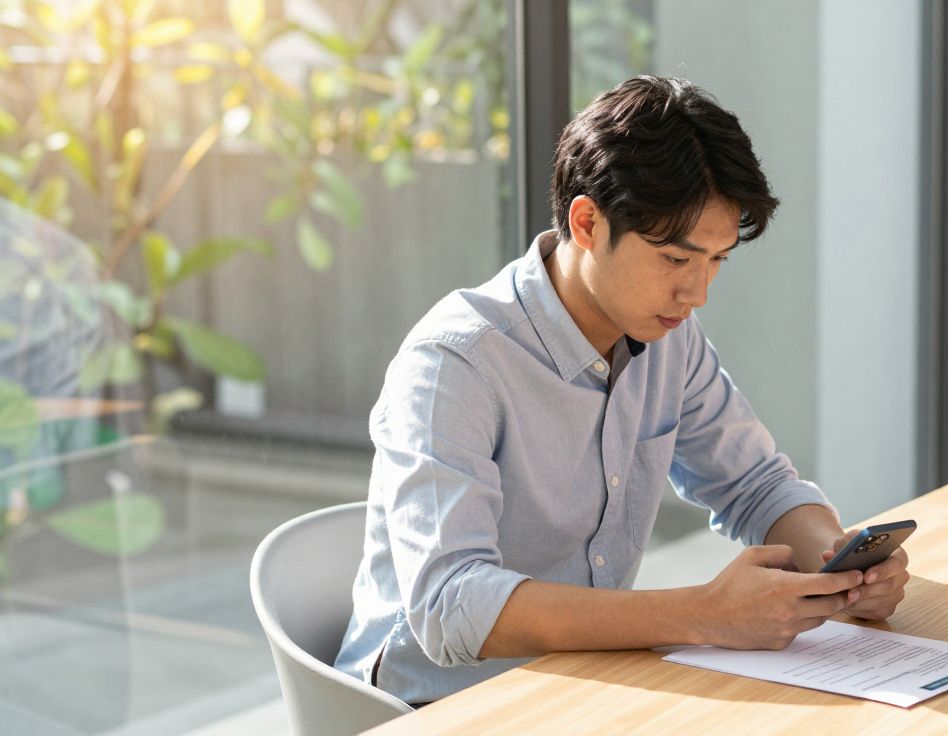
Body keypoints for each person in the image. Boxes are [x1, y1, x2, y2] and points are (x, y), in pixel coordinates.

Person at [335, 76, 910, 705]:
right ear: (587, 222)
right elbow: (452, 607)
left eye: (717, 260)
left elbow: (755, 485)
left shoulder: (667, 336)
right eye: (676, 259)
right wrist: (703, 613)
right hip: (435, 709)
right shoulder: (454, 363)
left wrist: (838, 567)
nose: (697, 293)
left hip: (585, 687)